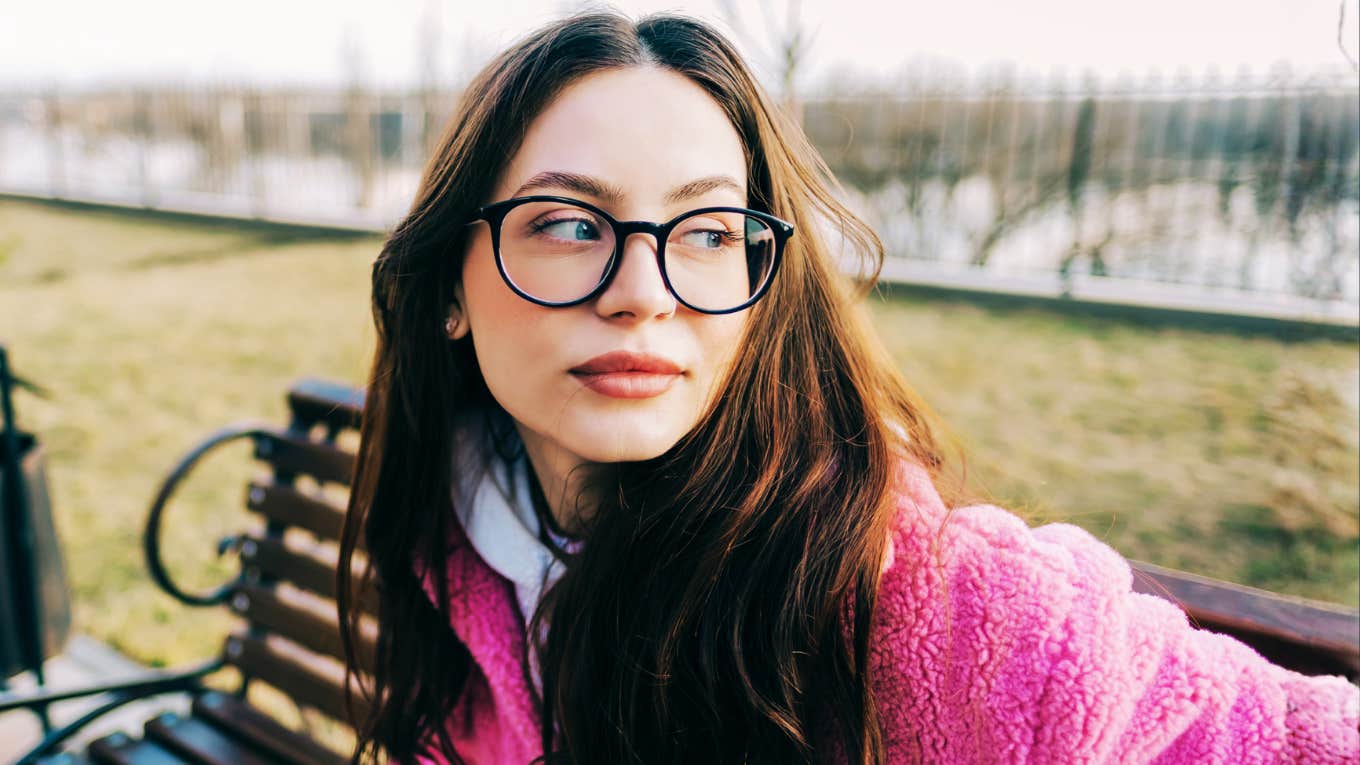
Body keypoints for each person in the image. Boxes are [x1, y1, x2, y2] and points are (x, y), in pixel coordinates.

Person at [336, 10, 1360, 765]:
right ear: (445, 290)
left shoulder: (949, 613)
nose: (643, 296)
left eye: (705, 233)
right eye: (566, 225)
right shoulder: (465, 551)